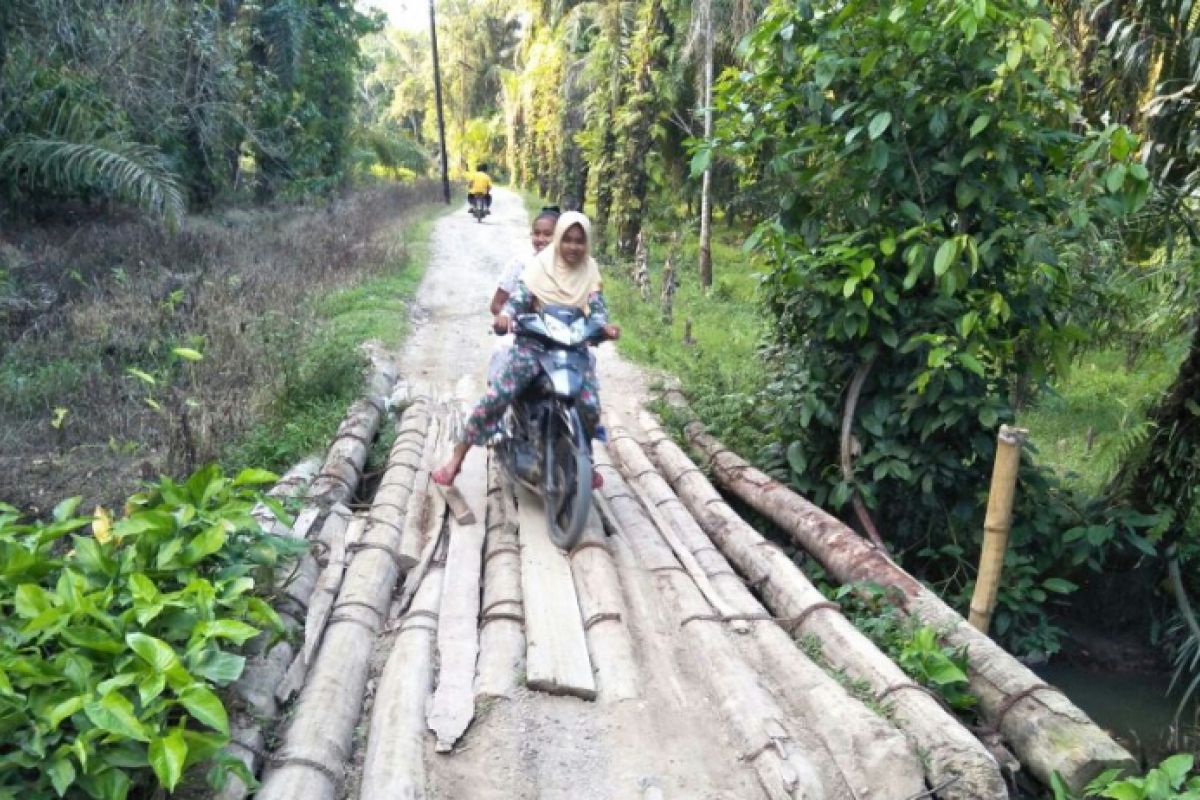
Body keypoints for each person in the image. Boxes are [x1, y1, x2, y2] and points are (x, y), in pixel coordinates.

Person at [433, 211, 619, 488]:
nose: (573, 247)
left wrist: (604, 327)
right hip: (535, 344)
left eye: (579, 241)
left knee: (590, 405)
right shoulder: (539, 266)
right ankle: (456, 459)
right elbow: (518, 298)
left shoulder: (589, 269)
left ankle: (584, 458)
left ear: (586, 243)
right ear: (558, 240)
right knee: (500, 394)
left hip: (572, 347)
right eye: (566, 239)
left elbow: (597, 306)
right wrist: (506, 316)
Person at [488, 206, 560, 384]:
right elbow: (497, 304)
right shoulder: (521, 264)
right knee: (501, 355)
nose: (541, 239)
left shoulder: (572, 269)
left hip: (561, 337)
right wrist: (507, 319)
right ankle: (492, 408)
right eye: (536, 233)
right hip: (523, 334)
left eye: (547, 234)